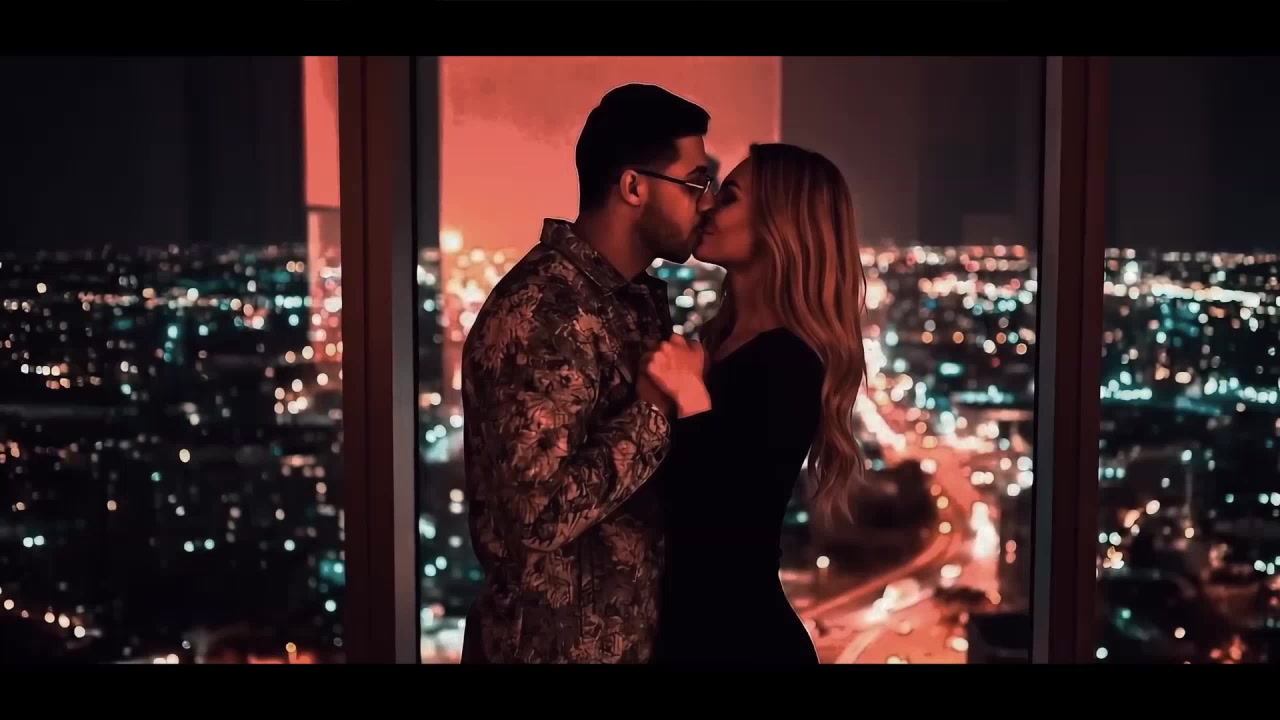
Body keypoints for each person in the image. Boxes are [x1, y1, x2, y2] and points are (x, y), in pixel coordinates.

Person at [459, 84, 716, 664]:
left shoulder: (629, 301)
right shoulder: (542, 311)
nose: (707, 203)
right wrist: (655, 409)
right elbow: (537, 515)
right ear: (634, 187)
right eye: (696, 183)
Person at [642, 143, 869, 664]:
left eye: (730, 197)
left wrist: (691, 396)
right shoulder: (722, 342)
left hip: (741, 643)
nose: (707, 205)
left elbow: (723, 525)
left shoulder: (790, 363)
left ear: (778, 225)